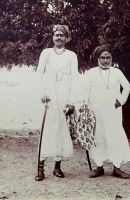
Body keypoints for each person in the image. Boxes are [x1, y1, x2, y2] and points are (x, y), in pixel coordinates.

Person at [35, 24, 78, 181]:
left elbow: (75, 79)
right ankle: (40, 167)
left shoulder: (71, 55)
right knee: (46, 131)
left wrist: (71, 102)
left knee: (61, 131)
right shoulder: (46, 53)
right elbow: (39, 74)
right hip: (49, 98)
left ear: (67, 38)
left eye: (62, 35)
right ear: (53, 37)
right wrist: (42, 93)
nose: (59, 37)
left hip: (64, 98)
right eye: (56, 35)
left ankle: (57, 166)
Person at [85, 44, 130, 179]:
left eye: (108, 57)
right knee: (98, 137)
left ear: (111, 58)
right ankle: (99, 166)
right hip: (96, 111)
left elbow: (127, 86)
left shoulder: (116, 72)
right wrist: (85, 106)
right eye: (102, 58)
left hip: (113, 110)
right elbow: (85, 90)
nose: (105, 60)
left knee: (115, 137)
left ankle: (117, 168)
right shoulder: (91, 73)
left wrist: (121, 100)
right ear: (97, 58)